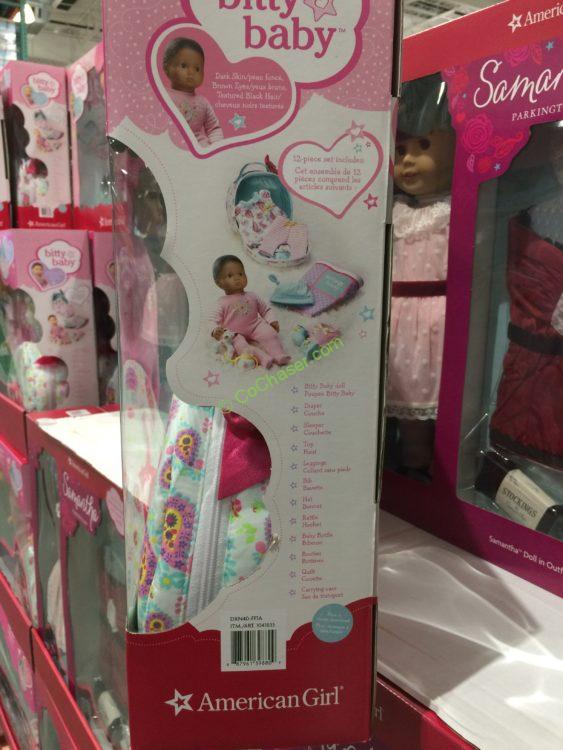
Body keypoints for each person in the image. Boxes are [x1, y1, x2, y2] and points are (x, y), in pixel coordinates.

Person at [386, 74, 456, 479]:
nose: (408, 161)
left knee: (434, 399)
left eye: (423, 147)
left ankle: (427, 471)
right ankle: (406, 467)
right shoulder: (394, 211)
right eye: (401, 150)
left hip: (437, 321)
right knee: (401, 396)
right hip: (396, 320)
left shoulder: (451, 211)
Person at [212, 255, 290, 368]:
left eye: (240, 274)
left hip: (255, 325)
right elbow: (212, 319)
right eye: (230, 275)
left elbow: (265, 310)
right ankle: (263, 358)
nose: (237, 278)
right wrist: (214, 329)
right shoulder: (221, 302)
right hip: (234, 333)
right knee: (241, 347)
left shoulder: (252, 296)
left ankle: (279, 354)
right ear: (219, 283)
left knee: (270, 334)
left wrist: (271, 321)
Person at [163, 37, 223, 146]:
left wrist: (217, 147)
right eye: (184, 66)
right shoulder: (161, 96)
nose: (191, 72)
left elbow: (214, 128)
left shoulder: (203, 102)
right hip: (169, 147)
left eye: (197, 69)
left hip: (199, 148)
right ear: (167, 67)